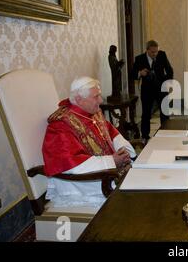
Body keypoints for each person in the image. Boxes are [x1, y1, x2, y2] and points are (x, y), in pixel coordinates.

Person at [42, 77, 136, 208]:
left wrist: (122, 148)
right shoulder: (60, 125)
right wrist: (112, 161)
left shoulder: (92, 111)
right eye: (96, 97)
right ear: (79, 99)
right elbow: (70, 163)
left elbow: (109, 130)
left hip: (108, 171)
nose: (101, 101)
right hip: (83, 183)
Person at [132, 40, 174, 143]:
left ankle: (165, 133)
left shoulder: (162, 55)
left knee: (164, 112)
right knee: (146, 113)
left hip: (161, 88)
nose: (155, 54)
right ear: (147, 50)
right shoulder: (139, 58)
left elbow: (170, 70)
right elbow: (132, 74)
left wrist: (167, 83)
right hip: (147, 90)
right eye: (152, 52)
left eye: (156, 51)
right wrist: (140, 73)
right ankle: (145, 136)